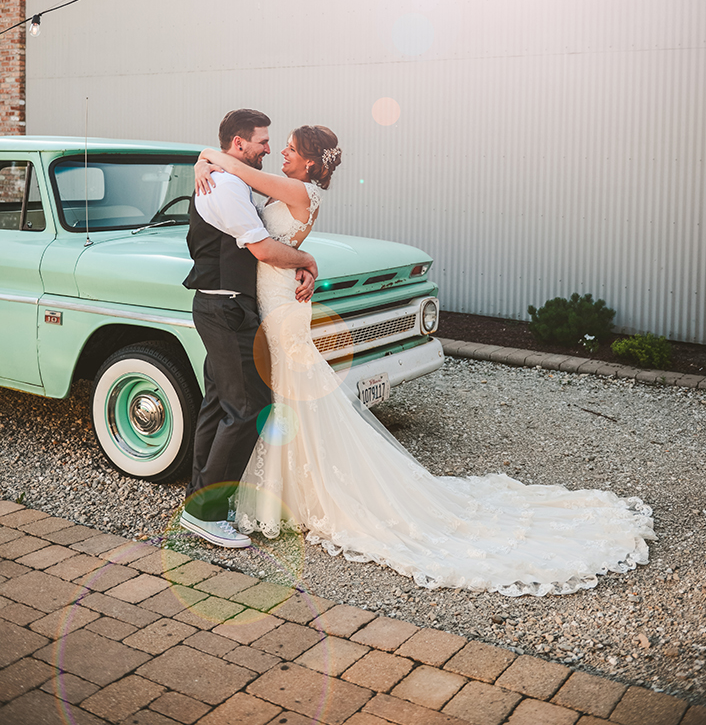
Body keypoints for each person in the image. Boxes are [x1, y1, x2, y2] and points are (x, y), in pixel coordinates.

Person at [194, 127, 656, 594]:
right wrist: (205, 164)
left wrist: (209, 160)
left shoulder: (297, 189)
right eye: (279, 146)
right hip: (272, 302)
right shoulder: (297, 187)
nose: (281, 154)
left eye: (290, 149)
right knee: (281, 398)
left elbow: (235, 166)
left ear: (311, 163)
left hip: (278, 308)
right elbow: (235, 169)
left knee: (289, 397)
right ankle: (273, 494)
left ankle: (282, 498)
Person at [180, 109, 318, 549]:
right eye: (262, 141)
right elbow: (261, 248)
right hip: (225, 310)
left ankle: (198, 501)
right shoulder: (224, 185)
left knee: (219, 402)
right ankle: (205, 514)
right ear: (239, 145)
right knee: (247, 407)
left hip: (231, 308)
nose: (268, 148)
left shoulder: (228, 178)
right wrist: (307, 261)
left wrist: (206, 158)